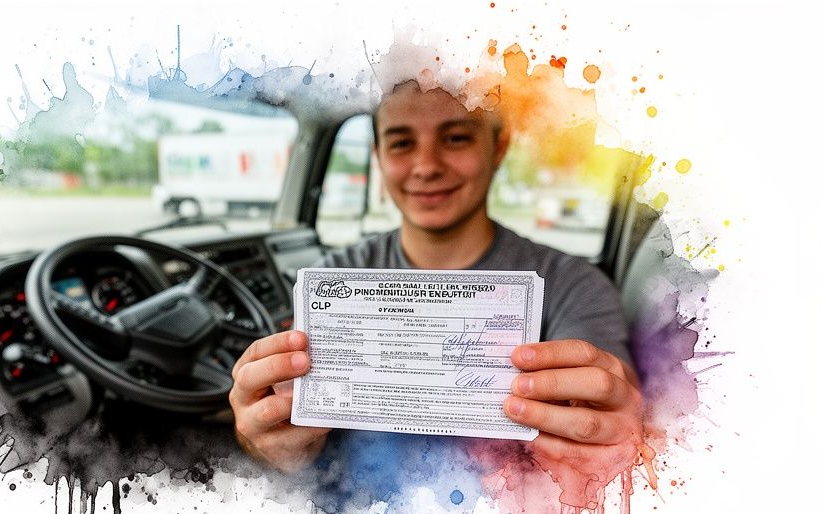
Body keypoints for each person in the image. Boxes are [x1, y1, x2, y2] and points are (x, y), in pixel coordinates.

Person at [228, 81, 644, 486]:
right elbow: (290, 442)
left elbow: (609, 401)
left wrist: (619, 423)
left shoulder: (572, 286)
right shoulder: (331, 285)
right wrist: (270, 443)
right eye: (402, 143)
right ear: (378, 157)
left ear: (498, 148)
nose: (426, 166)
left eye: (456, 138)